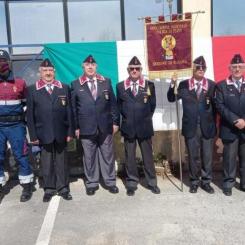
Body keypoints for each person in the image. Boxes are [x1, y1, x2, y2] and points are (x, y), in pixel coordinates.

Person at [71, 55, 120, 196]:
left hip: (105, 126)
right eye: (87, 65)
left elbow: (113, 104)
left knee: (107, 155)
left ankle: (110, 182)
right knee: (89, 157)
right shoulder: (75, 84)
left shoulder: (106, 82)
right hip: (86, 127)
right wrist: (76, 127)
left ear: (96, 67)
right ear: (83, 67)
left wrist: (116, 122)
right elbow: (73, 109)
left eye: (92, 65)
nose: (90, 67)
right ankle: (92, 183)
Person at [167, 56, 216, 194]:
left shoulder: (212, 85)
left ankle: (206, 181)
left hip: (207, 127)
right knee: (193, 156)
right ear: (193, 69)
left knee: (207, 156)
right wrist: (172, 84)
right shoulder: (183, 85)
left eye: (203, 68)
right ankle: (194, 181)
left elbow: (216, 107)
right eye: (198, 67)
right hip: (191, 127)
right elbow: (171, 98)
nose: (201, 70)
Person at [26, 58, 73, 202]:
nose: (48, 73)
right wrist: (33, 135)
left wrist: (70, 131)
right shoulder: (32, 89)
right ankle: (49, 188)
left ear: (54, 72)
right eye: (45, 70)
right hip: (43, 133)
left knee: (62, 161)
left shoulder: (64, 87)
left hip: (61, 132)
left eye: (50, 70)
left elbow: (70, 112)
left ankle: (63, 187)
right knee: (46, 162)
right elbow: (30, 115)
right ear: (40, 73)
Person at [116, 56, 160, 196]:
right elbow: (118, 106)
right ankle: (131, 183)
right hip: (128, 127)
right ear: (128, 70)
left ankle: (152, 183)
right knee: (129, 157)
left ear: (140, 70)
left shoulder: (149, 85)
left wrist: (144, 118)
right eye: (132, 69)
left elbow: (152, 105)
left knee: (148, 156)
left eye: (137, 69)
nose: (134, 71)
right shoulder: (120, 86)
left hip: (144, 127)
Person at [0, 49, 33, 202]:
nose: (1, 64)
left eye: (3, 61)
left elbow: (27, 105)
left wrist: (23, 122)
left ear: (9, 62)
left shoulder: (20, 83)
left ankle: (27, 186)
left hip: (16, 126)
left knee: (21, 155)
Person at [216, 54, 245, 196]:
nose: (237, 69)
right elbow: (220, 106)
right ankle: (228, 183)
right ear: (230, 68)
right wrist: (236, 120)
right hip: (229, 128)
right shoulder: (222, 86)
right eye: (234, 67)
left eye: (240, 66)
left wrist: (244, 121)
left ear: (244, 67)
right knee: (229, 158)